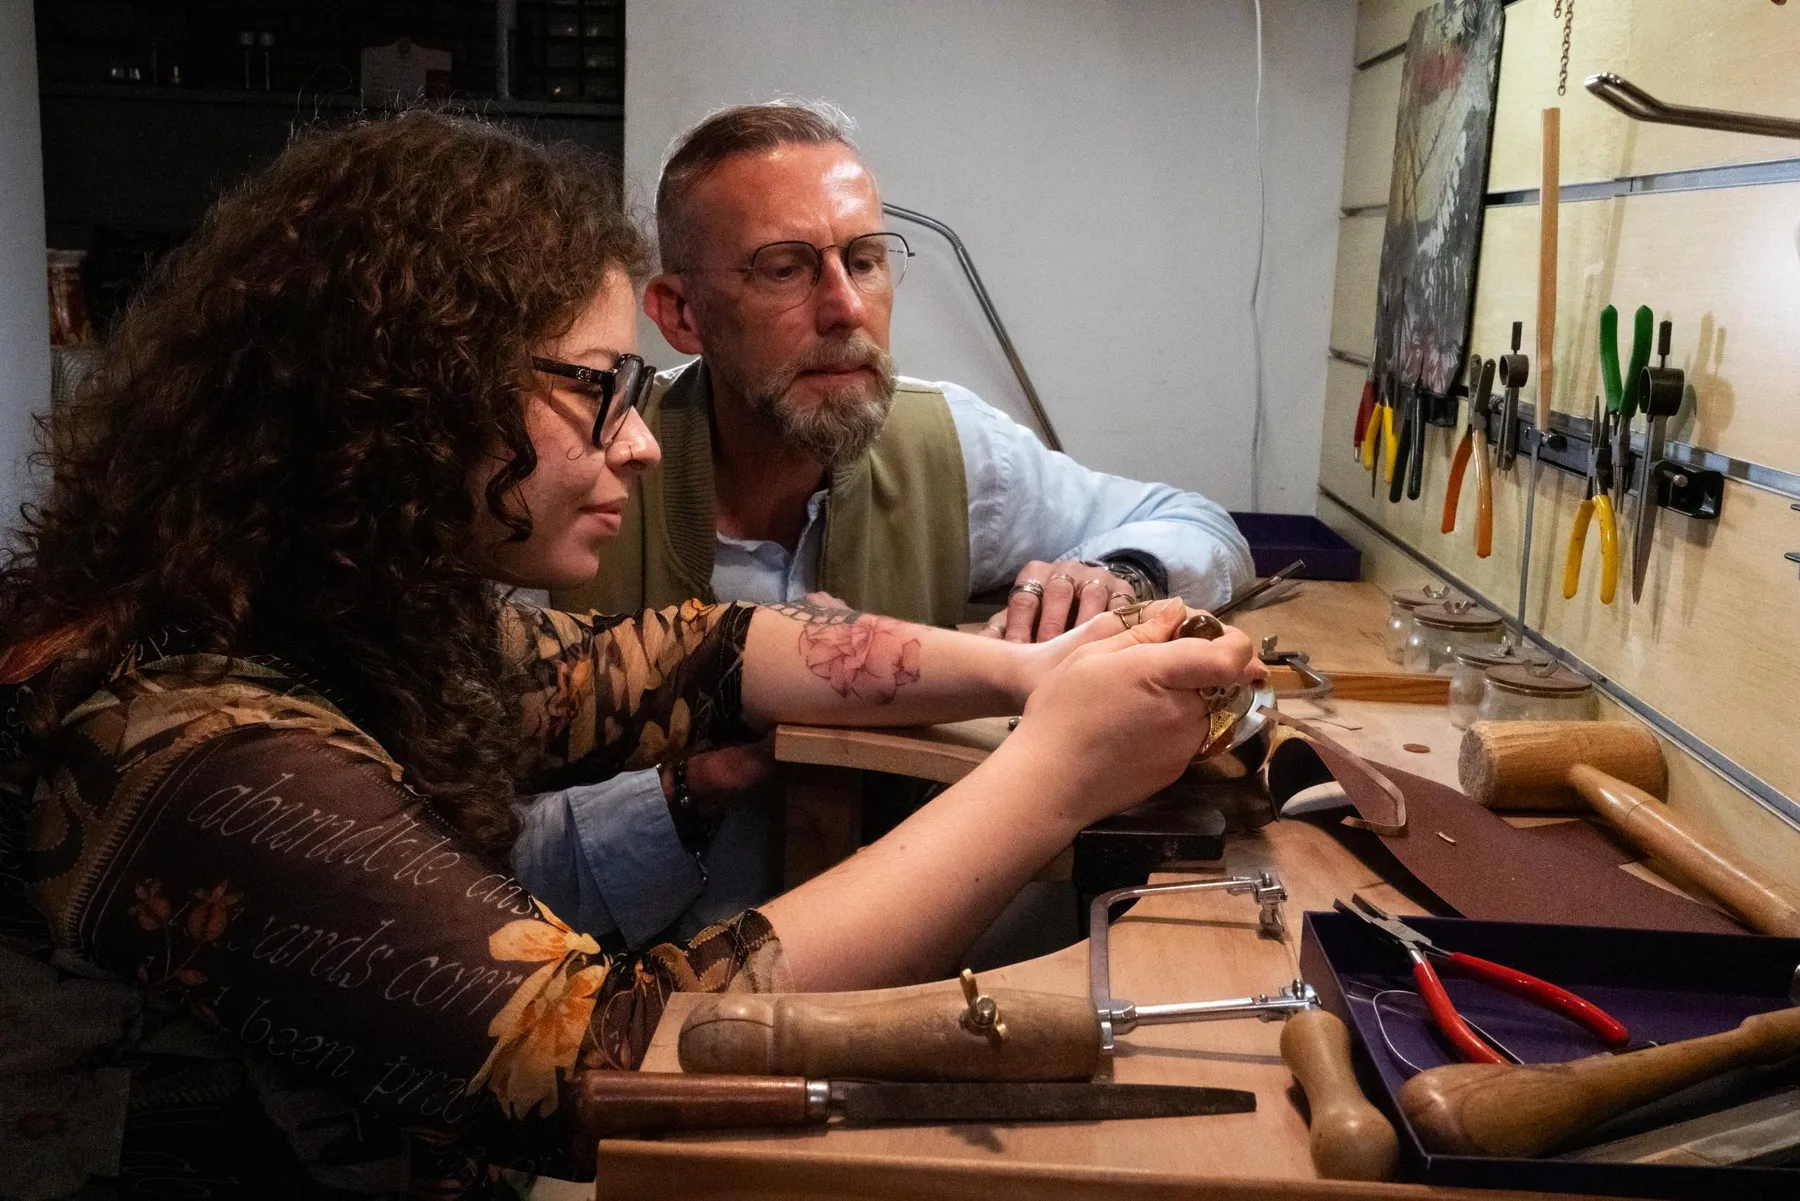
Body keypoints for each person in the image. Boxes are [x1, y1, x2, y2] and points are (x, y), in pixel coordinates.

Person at [0, 112, 1260, 1195]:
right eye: (599, 387)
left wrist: (1026, 675)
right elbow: (611, 1054)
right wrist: (1052, 775)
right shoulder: (192, 746)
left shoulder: (333, 611)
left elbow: (693, 654)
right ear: (412, 398)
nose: (642, 439)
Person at [519, 100, 1256, 946]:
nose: (845, 308)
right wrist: (699, 784)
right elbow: (479, 858)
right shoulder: (564, 480)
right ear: (681, 314)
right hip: (640, 995)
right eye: (785, 269)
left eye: (864, 261)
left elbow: (1200, 526)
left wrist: (1120, 575)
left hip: (917, 971)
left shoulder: (945, 443)